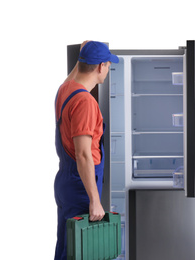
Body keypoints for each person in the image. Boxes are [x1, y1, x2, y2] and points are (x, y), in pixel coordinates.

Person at [54, 40, 119, 260]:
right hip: (81, 186)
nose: (108, 70)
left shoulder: (66, 90)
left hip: (66, 182)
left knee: (67, 247)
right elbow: (83, 154)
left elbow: (74, 75)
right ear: (101, 66)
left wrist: (82, 55)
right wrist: (94, 200)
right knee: (81, 251)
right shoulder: (85, 102)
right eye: (109, 65)